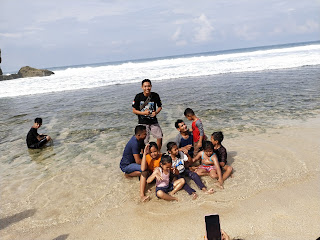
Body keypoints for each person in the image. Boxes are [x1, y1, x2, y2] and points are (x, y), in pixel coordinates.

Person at [132, 79, 163, 150]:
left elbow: (160, 107)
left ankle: (157, 152)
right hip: (142, 122)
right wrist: (143, 113)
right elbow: (134, 110)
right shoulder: (138, 97)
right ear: (142, 87)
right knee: (144, 140)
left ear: (151, 86)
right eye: (145, 86)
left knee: (159, 136)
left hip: (153, 121)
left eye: (148, 86)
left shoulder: (155, 95)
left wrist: (156, 112)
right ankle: (145, 155)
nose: (147, 88)